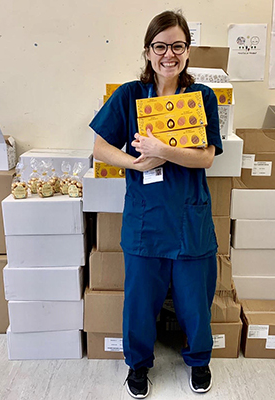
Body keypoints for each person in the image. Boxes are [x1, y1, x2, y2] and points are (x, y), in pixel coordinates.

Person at [90, 10, 222, 399]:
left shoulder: (202, 98)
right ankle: (138, 366)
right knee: (140, 302)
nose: (169, 54)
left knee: (195, 301)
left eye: (177, 46)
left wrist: (163, 150)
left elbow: (206, 157)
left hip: (188, 218)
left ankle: (199, 361)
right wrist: (136, 162)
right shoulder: (130, 95)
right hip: (146, 219)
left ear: (187, 50)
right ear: (148, 51)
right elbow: (99, 147)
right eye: (160, 46)